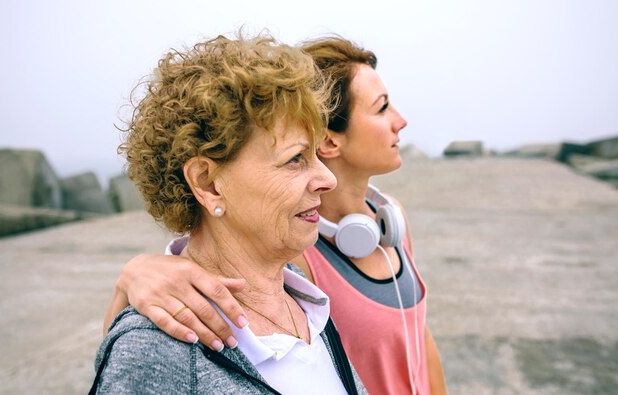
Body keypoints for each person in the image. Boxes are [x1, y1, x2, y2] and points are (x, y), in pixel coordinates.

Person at [104, 36, 447, 394]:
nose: (326, 178)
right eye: (295, 158)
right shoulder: (152, 351)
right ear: (208, 183)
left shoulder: (305, 304)